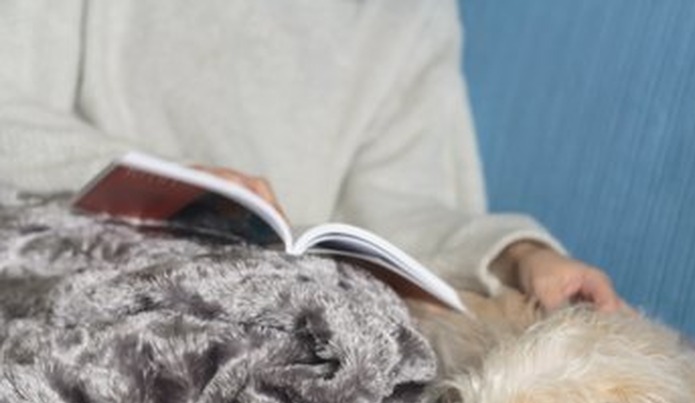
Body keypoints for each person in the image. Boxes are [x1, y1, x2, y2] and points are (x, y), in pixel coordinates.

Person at [0, 0, 620, 312]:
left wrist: (516, 255)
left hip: (293, 317)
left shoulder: (410, 16)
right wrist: (155, 178)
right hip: (84, 277)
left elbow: (402, 204)